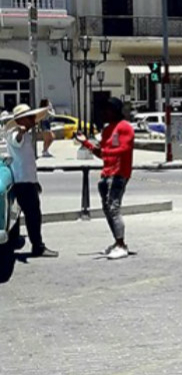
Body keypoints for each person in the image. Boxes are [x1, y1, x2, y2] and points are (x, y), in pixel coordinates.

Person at [75, 98, 134, 260]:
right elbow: (101, 153)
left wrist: (107, 152)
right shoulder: (107, 130)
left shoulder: (125, 128)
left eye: (107, 109)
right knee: (107, 209)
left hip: (119, 173)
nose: (103, 113)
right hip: (106, 173)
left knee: (114, 208)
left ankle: (121, 245)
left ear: (115, 110)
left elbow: (125, 149)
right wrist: (86, 143)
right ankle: (117, 242)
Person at [6, 104, 56, 257]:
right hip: (23, 182)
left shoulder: (26, 134)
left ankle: (14, 241)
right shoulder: (14, 133)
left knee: (20, 213)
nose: (34, 120)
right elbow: (16, 140)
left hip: (27, 180)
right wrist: (20, 132)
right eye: (30, 117)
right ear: (21, 119)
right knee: (33, 215)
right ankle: (37, 246)